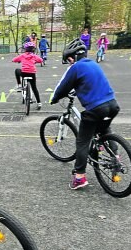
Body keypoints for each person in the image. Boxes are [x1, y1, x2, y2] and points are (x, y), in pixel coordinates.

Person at [50, 39, 120, 190]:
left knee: (82, 141)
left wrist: (54, 98)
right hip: (113, 105)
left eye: (68, 60)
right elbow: (91, 82)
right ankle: (115, 157)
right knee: (104, 129)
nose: (69, 63)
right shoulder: (94, 64)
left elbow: (62, 87)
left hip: (96, 109)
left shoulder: (75, 68)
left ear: (72, 57)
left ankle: (79, 177)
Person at [12, 41, 44, 109]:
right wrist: (35, 61)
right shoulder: (34, 56)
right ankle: (39, 103)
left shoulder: (22, 55)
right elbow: (41, 60)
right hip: (32, 74)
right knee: (34, 88)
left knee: (17, 70)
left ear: (25, 49)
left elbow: (13, 60)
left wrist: (19, 60)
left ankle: (19, 85)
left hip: (24, 73)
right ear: (33, 49)